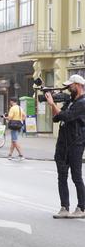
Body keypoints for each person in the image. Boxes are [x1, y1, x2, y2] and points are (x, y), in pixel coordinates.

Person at [45, 74, 85, 219]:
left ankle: (81, 207)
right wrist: (53, 104)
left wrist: (52, 104)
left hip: (76, 144)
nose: (68, 88)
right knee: (62, 177)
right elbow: (57, 117)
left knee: (76, 177)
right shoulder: (71, 102)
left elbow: (67, 117)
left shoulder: (82, 102)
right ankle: (64, 207)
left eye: (71, 86)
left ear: (78, 86)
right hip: (63, 144)